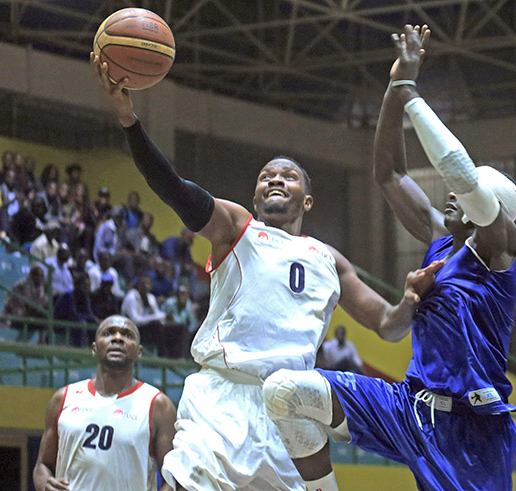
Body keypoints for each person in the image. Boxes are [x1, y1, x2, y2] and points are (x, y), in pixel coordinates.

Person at [91, 51, 441, 491]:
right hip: (220, 395)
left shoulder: (329, 260)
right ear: (256, 198)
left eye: (288, 176)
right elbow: (173, 189)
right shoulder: (237, 228)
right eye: (266, 176)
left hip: (287, 408)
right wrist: (129, 120)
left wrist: (410, 298)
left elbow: (388, 327)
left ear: (307, 201)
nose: (275, 179)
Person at [262, 25, 516, 491]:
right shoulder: (444, 237)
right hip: (409, 406)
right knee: (284, 391)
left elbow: (462, 174)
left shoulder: (503, 250)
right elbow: (389, 173)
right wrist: (393, 87)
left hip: (473, 429)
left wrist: (412, 95)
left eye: (463, 197)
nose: (449, 195)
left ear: (492, 209)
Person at [33, 315, 178, 491]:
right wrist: (45, 483)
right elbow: (43, 465)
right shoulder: (62, 399)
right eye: (108, 333)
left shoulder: (158, 405)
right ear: (94, 348)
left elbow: (173, 480)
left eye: (127, 335)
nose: (118, 338)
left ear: (139, 351)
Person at [121, 276, 186, 360]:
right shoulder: (132, 297)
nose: (145, 286)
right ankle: (163, 357)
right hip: (134, 330)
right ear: (138, 286)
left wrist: (166, 316)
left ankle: (180, 357)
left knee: (181, 327)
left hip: (149, 328)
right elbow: (135, 320)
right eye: (143, 284)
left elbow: (157, 314)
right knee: (157, 326)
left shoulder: (151, 298)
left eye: (148, 284)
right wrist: (160, 317)